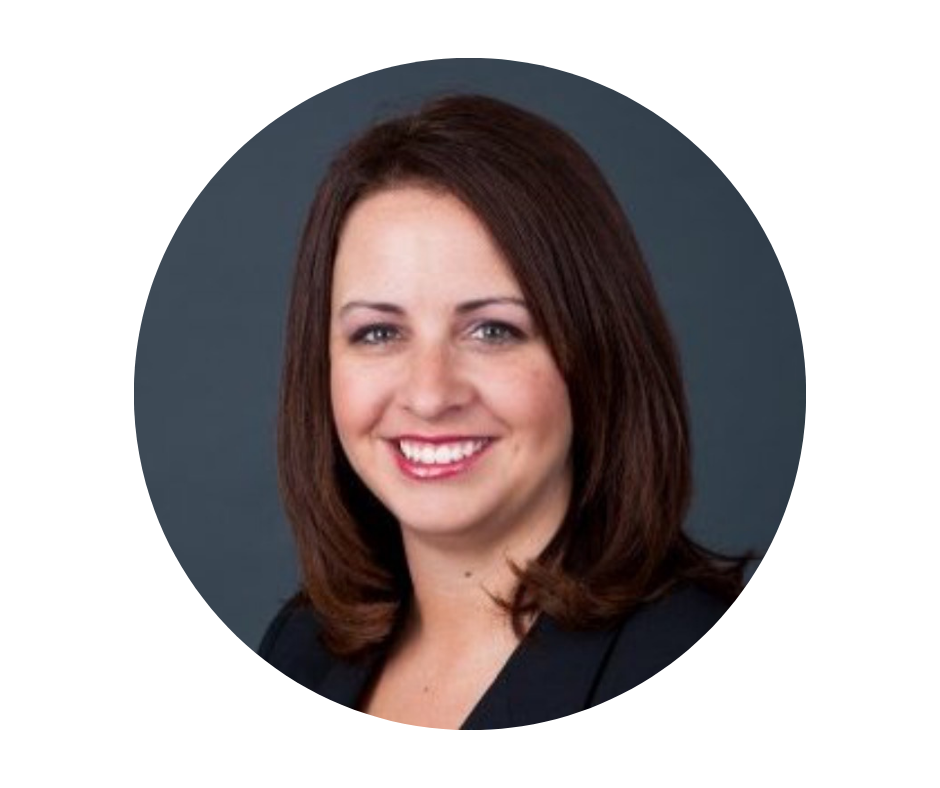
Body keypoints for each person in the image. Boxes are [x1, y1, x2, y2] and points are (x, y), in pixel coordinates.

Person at [261, 93, 754, 735]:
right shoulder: (299, 650)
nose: (431, 394)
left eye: (493, 330)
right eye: (379, 333)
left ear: (595, 355)